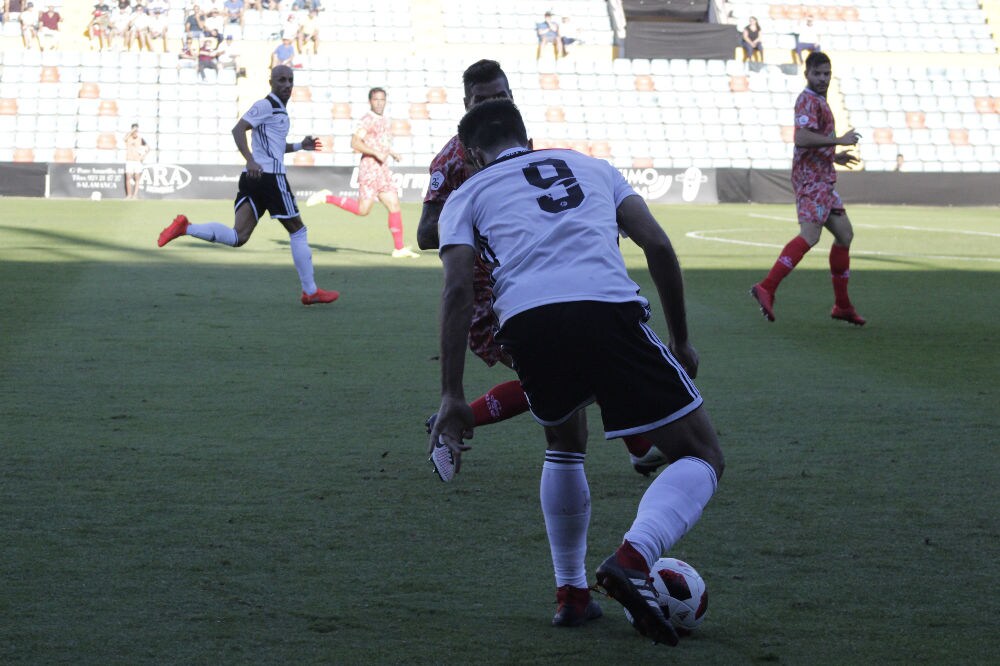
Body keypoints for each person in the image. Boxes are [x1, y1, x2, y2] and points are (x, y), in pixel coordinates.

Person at [429, 98, 725, 641]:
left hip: (527, 326)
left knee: (564, 443)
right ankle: (633, 558)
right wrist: (681, 339)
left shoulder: (465, 193)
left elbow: (455, 287)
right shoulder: (593, 167)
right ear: (527, 137)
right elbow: (657, 244)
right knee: (703, 453)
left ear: (471, 155)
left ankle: (571, 595)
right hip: (606, 309)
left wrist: (452, 393)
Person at [416, 59, 669, 481]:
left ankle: (636, 449)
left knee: (567, 373)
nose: (494, 103)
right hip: (486, 297)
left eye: (501, 95)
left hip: (531, 280)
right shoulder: (452, 161)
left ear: (512, 98)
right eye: (483, 98)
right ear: (465, 104)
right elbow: (426, 232)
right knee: (569, 372)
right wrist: (472, 222)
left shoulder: (519, 146)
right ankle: (637, 447)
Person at [156, 65, 339, 307]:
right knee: (298, 230)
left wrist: (298, 146)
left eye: (290, 80)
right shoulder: (266, 105)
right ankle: (310, 291)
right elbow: (238, 129)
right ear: (271, 82)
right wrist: (250, 159)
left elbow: (274, 146)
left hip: (253, 178)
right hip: (270, 177)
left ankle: (186, 228)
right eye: (281, 80)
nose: (287, 84)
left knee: (238, 236)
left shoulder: (278, 110)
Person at [749, 52, 865, 326]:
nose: (823, 78)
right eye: (818, 74)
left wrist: (833, 156)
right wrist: (839, 140)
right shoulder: (807, 100)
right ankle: (767, 286)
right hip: (811, 181)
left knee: (845, 234)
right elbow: (801, 138)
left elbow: (813, 143)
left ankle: (842, 305)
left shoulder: (819, 101)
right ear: (807, 74)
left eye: (827, 73)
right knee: (810, 235)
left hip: (824, 178)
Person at [306, 87, 419, 258]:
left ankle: (399, 248)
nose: (379, 103)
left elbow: (379, 143)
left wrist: (391, 152)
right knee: (363, 210)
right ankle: (327, 197)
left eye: (382, 99)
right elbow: (355, 143)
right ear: (370, 102)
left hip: (383, 169)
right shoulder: (367, 120)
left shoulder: (385, 120)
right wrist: (375, 153)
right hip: (370, 169)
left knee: (394, 204)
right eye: (376, 100)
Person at [123, 123, 149, 199]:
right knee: (128, 178)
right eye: (134, 130)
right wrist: (131, 131)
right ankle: (129, 195)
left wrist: (143, 156)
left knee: (137, 178)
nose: (135, 132)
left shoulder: (141, 139)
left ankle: (135, 195)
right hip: (129, 160)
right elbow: (124, 138)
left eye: (136, 130)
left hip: (137, 161)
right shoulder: (128, 138)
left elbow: (148, 148)